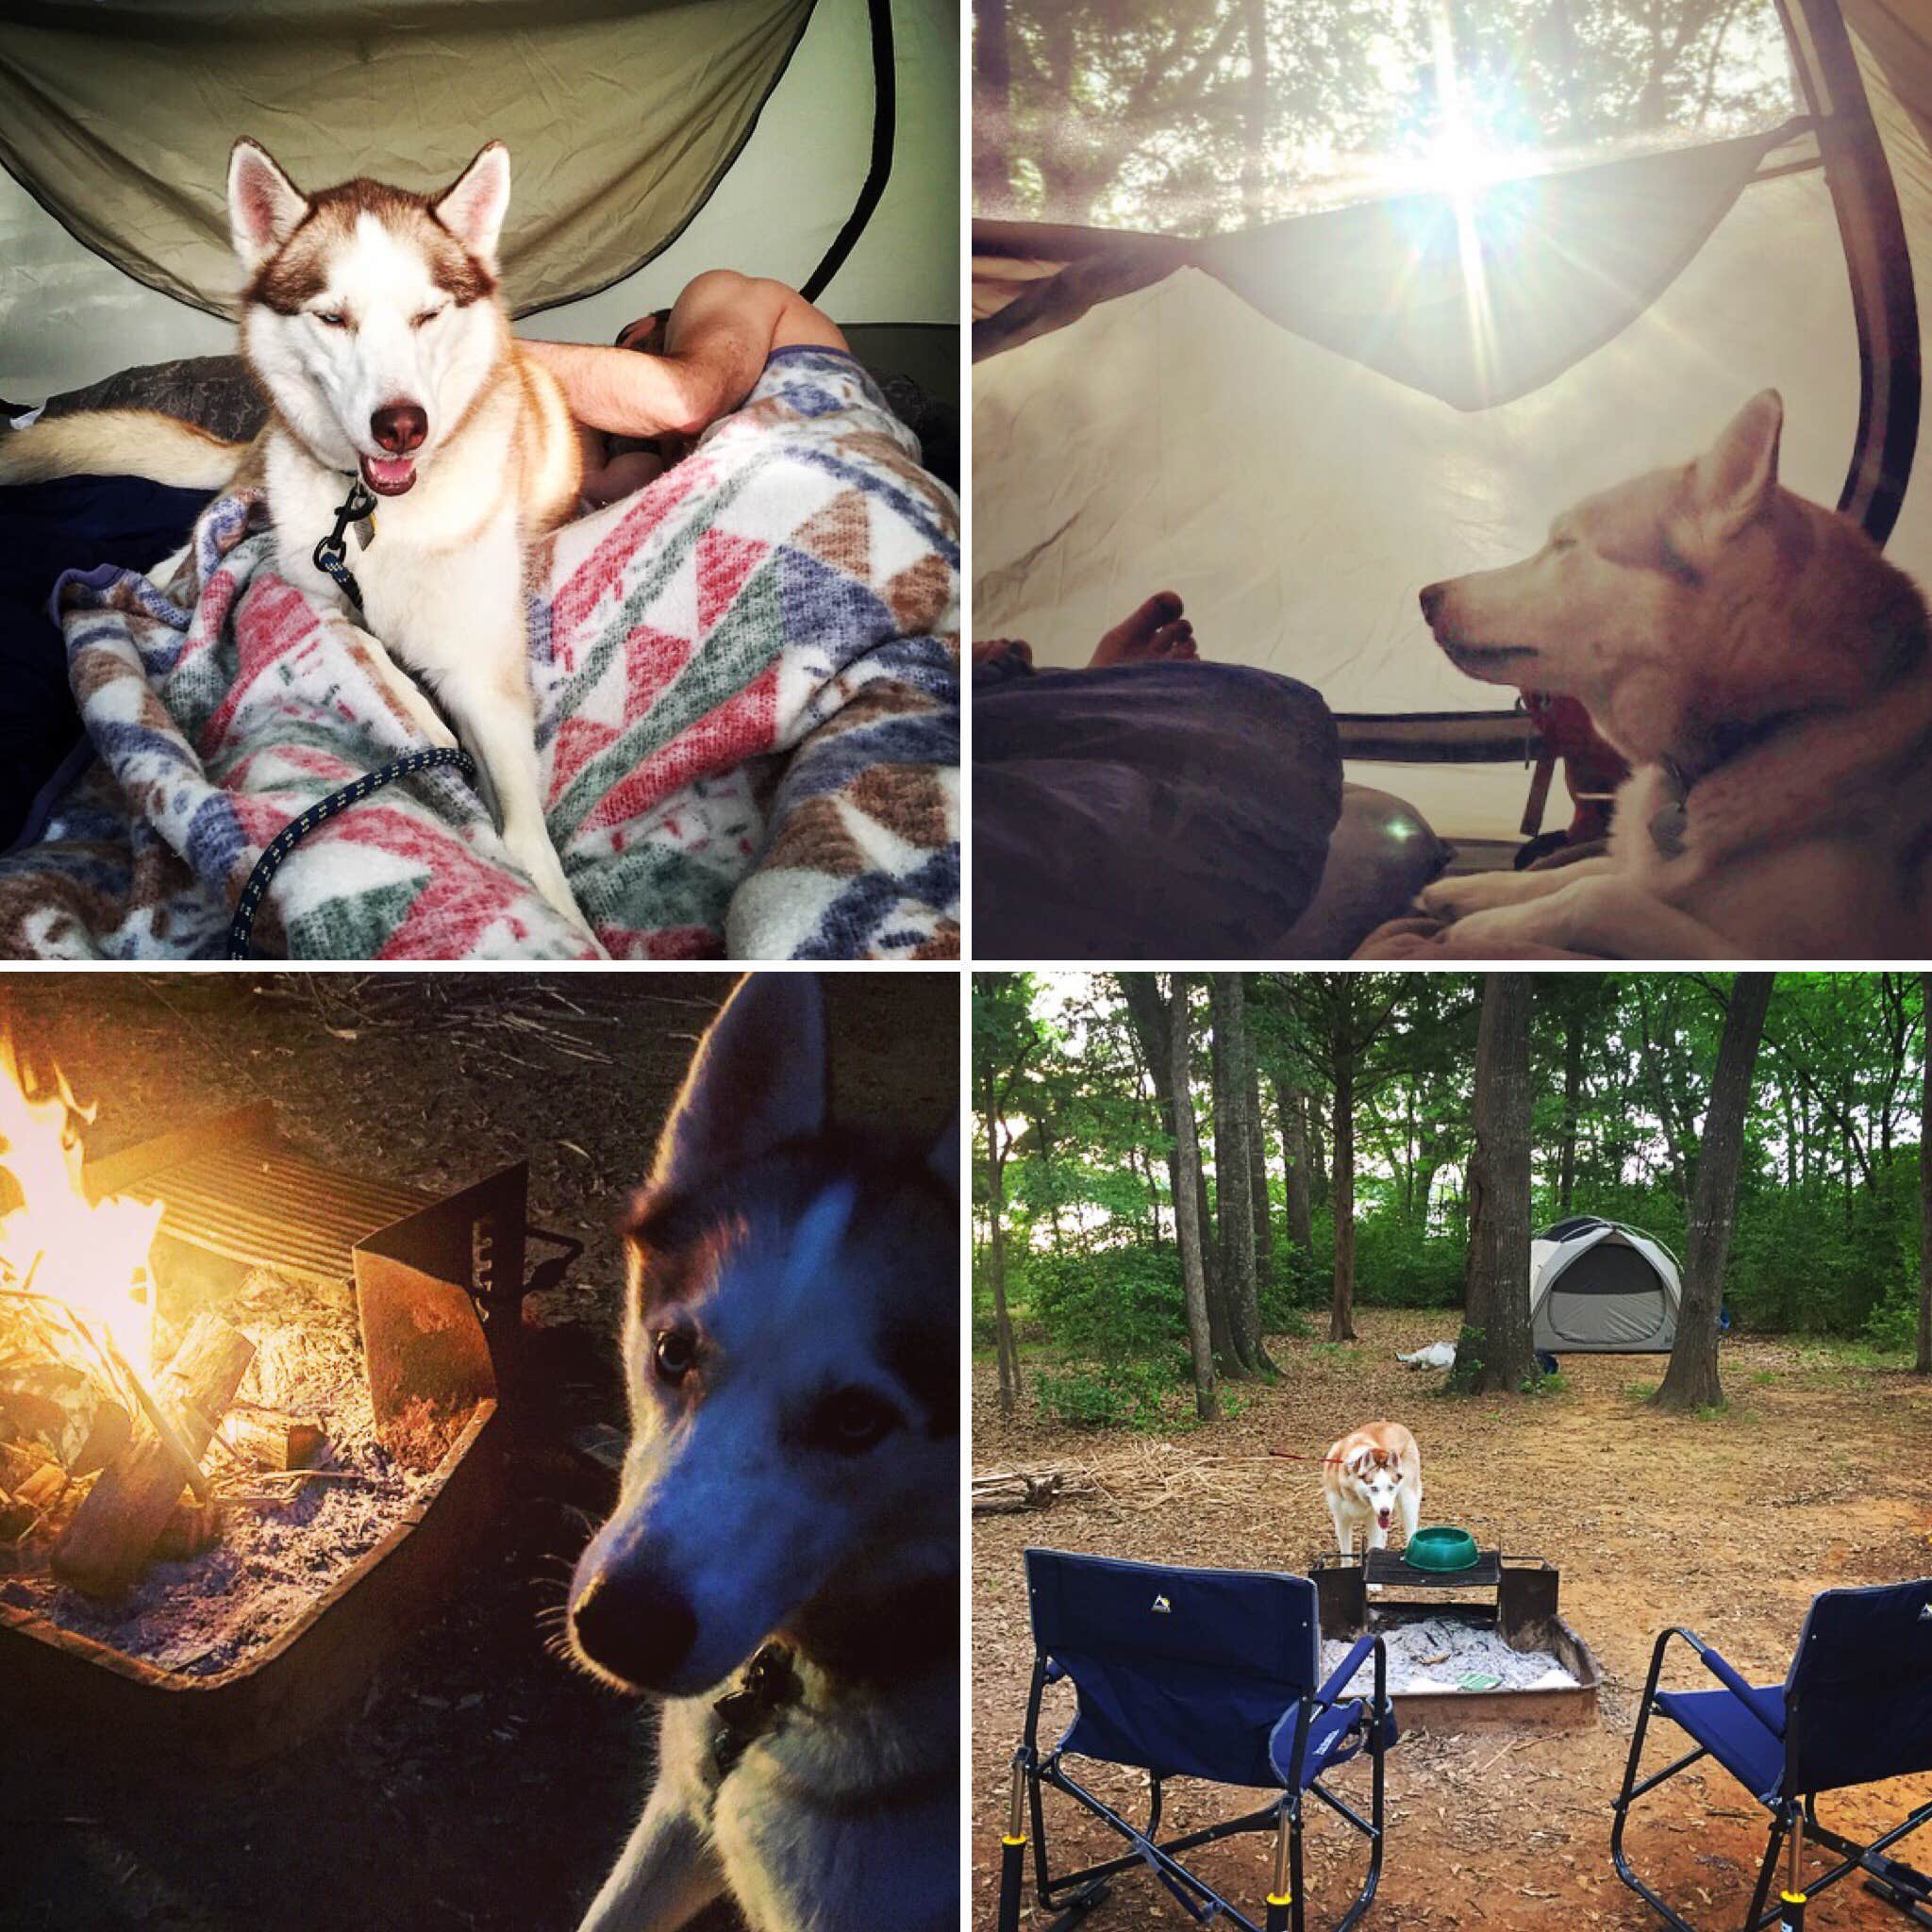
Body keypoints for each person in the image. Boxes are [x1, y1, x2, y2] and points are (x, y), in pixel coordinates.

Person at [522, 270, 851, 506]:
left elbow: (685, 401)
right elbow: (611, 489)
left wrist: (489, 353)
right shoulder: (665, 446)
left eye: (622, 350)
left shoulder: (725, 290)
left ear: (641, 326)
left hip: (832, 491)